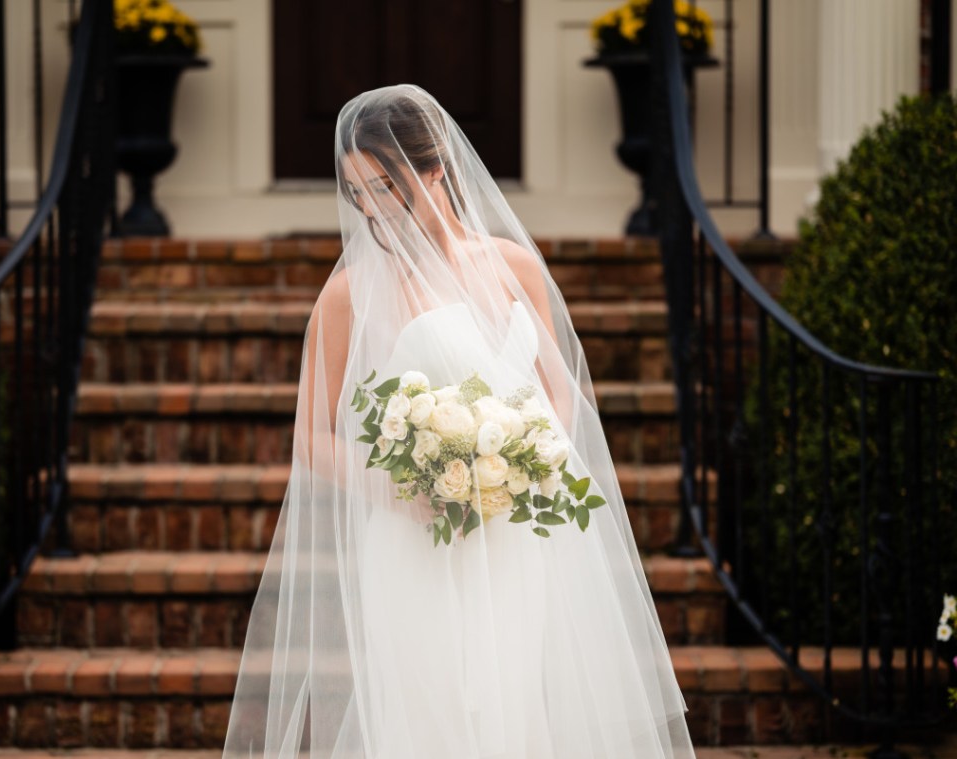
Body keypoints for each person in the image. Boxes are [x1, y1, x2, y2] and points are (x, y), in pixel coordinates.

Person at [222, 84, 695, 758]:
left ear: (436, 169)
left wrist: (526, 462)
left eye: (386, 185)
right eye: (358, 193)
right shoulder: (349, 293)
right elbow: (311, 438)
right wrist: (409, 491)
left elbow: (558, 392)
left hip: (514, 540)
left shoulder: (515, 266)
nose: (372, 208)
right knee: (430, 712)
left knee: (517, 710)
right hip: (418, 540)